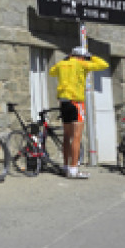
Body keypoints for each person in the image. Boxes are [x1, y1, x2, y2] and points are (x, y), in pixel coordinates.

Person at [48, 46, 109, 179]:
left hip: (64, 103)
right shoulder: (82, 63)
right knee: (76, 137)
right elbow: (103, 64)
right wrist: (90, 56)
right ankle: (74, 170)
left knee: (66, 136)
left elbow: (51, 72)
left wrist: (66, 60)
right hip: (76, 102)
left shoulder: (61, 64)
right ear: (82, 56)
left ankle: (65, 167)